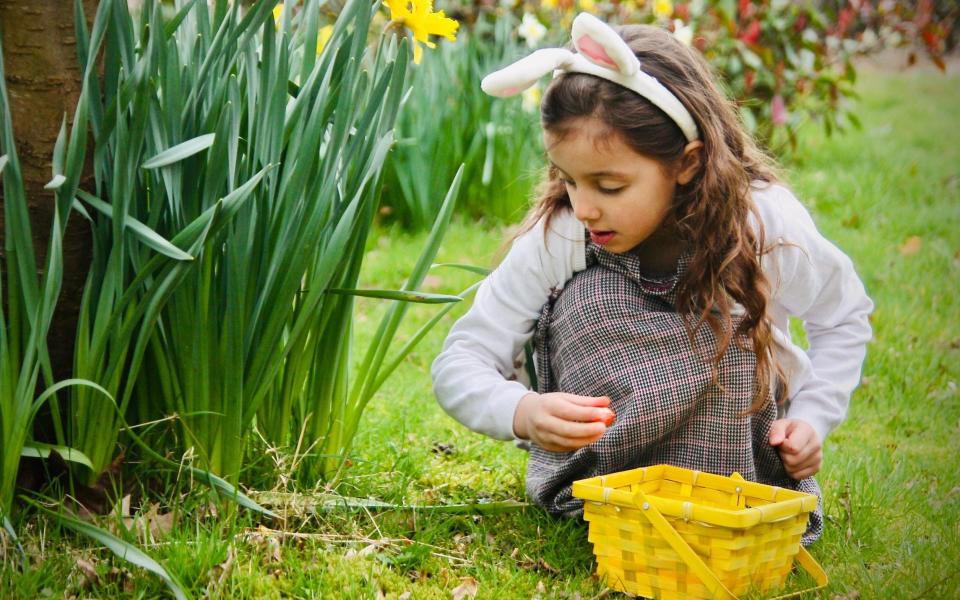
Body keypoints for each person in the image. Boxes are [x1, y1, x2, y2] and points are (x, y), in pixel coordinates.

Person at [431, 13, 872, 542]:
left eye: (609, 185)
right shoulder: (566, 235)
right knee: (592, 298)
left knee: (720, 320)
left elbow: (842, 315)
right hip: (598, 492)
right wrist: (521, 411)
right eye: (568, 180)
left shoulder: (758, 224)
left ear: (687, 164)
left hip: (736, 485)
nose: (584, 207)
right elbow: (463, 358)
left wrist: (813, 417)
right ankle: (601, 485)